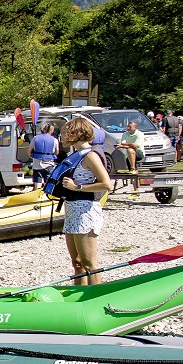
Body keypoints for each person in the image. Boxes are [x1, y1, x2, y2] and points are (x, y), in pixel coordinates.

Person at [56, 116, 112, 286]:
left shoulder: (91, 156)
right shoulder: (75, 155)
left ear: (75, 134)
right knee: (77, 263)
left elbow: (106, 184)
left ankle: (97, 296)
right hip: (72, 210)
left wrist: (77, 187)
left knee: (89, 263)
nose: (63, 136)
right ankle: (80, 296)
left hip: (85, 211)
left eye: (66, 133)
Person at [30, 123, 59, 188]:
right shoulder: (55, 140)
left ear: (43, 130)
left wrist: (33, 157)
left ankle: (37, 196)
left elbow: (29, 151)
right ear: (52, 131)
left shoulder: (35, 138)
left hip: (37, 164)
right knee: (48, 183)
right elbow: (57, 152)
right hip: (49, 164)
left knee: (38, 183)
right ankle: (47, 196)